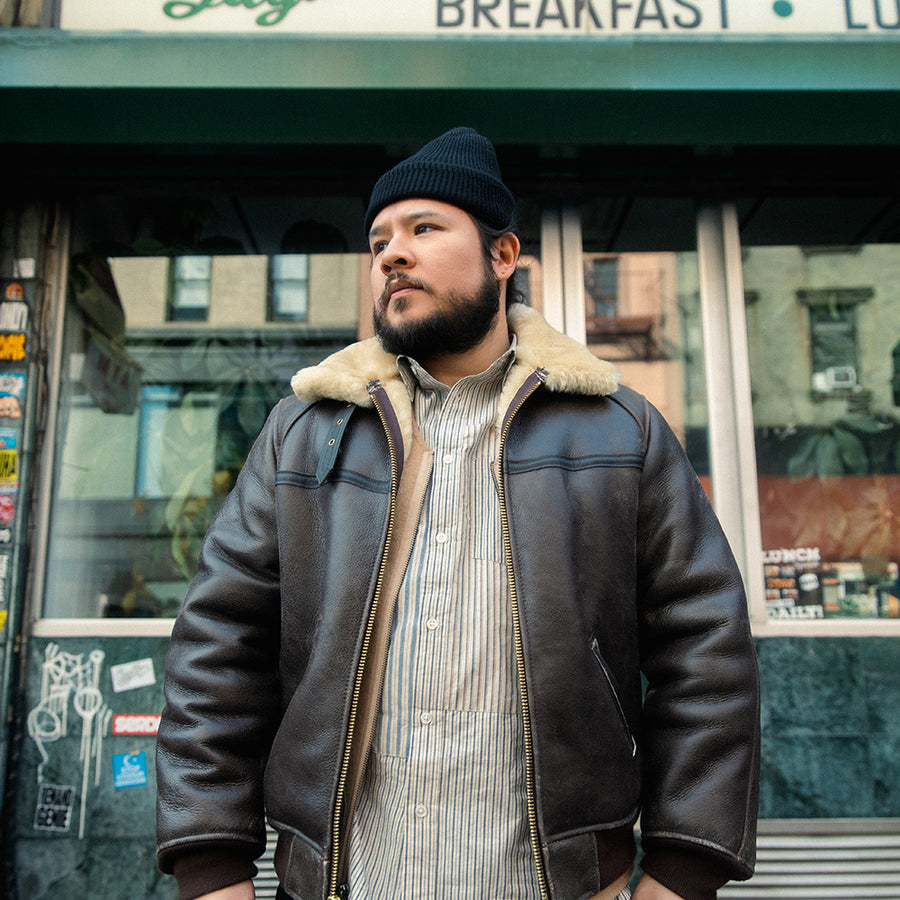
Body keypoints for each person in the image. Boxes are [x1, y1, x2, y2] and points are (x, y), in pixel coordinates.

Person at [156, 127, 760, 900]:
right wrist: (212, 870)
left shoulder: (619, 431)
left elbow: (706, 653)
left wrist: (682, 870)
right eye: (379, 240)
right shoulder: (304, 434)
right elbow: (217, 651)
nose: (391, 255)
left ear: (503, 256)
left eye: (424, 229)